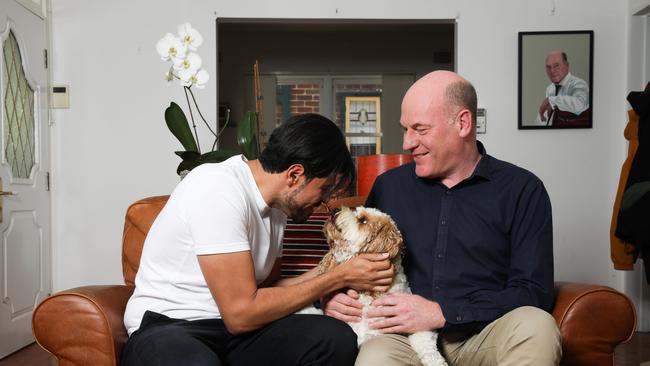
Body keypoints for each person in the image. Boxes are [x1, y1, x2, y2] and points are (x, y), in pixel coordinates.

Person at [325, 71, 562, 365]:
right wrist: (335, 297)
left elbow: (533, 291)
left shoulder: (522, 190)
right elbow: (353, 260)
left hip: (485, 333)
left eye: (420, 129)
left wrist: (442, 312)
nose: (408, 143)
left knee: (537, 326)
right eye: (405, 129)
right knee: (375, 358)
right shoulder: (389, 187)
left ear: (463, 123)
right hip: (404, 339)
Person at [121, 113, 394, 366]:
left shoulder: (278, 208)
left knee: (334, 339)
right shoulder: (216, 187)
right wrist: (338, 277)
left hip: (230, 333)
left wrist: (337, 270)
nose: (325, 203)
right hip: (171, 326)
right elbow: (240, 314)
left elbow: (268, 287)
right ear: (295, 175)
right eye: (323, 189)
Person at [536, 50, 590, 126]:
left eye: (556, 65)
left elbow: (580, 104)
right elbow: (546, 119)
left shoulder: (579, 83)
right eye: (548, 67)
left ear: (567, 65)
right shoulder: (550, 88)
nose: (552, 71)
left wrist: (551, 100)